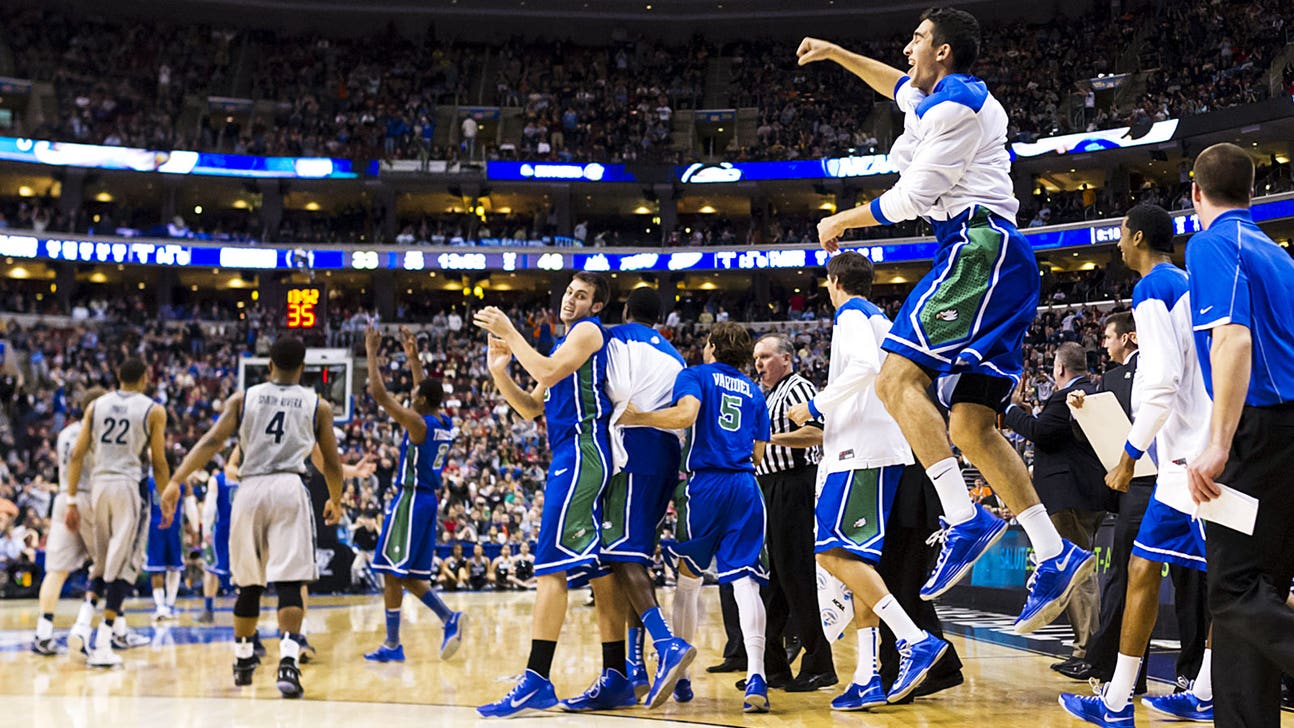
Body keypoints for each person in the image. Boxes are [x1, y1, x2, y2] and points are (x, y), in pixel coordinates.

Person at [799, 7, 1092, 633]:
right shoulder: (934, 95)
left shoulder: (957, 104)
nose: (907, 48)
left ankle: (963, 519)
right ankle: (1055, 552)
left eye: (918, 39)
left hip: (977, 251)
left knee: (894, 380)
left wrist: (840, 220)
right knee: (971, 427)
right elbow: (894, 84)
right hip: (998, 260)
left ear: (945, 51)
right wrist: (837, 54)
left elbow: (913, 197)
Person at [1059, 203, 1217, 726]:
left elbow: (1163, 383)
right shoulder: (1186, 282)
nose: (1119, 243)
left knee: (1233, 582)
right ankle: (1124, 699)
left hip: (1191, 458)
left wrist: (1128, 456)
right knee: (1146, 567)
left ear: (1140, 237)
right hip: (1187, 454)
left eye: (1123, 234)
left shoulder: (1153, 287)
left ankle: (1182, 694)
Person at [787, 251, 951, 709]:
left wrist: (815, 405)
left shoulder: (853, 314)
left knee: (830, 553)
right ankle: (867, 675)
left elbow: (863, 368)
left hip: (860, 453)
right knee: (860, 566)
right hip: (880, 449)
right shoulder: (881, 318)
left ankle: (914, 639)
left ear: (835, 282)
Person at [162, 336, 345, 699]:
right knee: (290, 582)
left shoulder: (243, 399)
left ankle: (243, 658)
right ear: (303, 368)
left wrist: (176, 481)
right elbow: (332, 462)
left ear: (269, 365)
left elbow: (210, 442)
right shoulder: (318, 405)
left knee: (249, 583)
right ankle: (288, 662)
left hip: (250, 489)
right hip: (290, 488)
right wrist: (336, 499)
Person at [473, 272, 619, 718]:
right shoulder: (561, 344)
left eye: (582, 295)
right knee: (599, 568)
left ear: (596, 306)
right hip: (573, 452)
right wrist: (499, 371)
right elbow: (531, 406)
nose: (571, 299)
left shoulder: (588, 331)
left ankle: (536, 678)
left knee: (550, 567)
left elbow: (547, 372)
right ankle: (617, 674)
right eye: (569, 292)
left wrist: (511, 331)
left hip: (581, 450)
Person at [1184, 143, 1294, 727]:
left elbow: (1233, 340)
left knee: (1231, 589)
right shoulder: (1278, 254)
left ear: (1195, 193)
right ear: (1250, 193)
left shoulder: (1211, 243)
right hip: (1287, 436)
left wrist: (1219, 441)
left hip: (1259, 430)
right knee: (1259, 589)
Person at [619, 322, 773, 713]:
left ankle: (682, 678)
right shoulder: (755, 391)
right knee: (746, 584)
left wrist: (639, 417)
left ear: (713, 347)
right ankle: (757, 676)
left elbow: (686, 415)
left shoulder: (697, 375)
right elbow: (758, 454)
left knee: (688, 582)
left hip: (706, 486)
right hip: (746, 485)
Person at [592, 286, 695, 710]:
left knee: (621, 556)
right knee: (633, 557)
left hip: (634, 448)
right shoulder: (676, 357)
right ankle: (636, 668)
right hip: (668, 455)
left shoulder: (615, 338)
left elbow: (610, 390)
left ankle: (666, 644)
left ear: (625, 310)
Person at [362, 324, 464, 663]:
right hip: (427, 502)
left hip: (411, 499)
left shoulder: (418, 425)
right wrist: (414, 359)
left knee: (391, 572)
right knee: (403, 575)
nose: (410, 396)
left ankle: (402, 640)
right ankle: (439, 622)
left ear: (420, 400)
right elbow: (427, 392)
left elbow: (380, 395)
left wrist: (371, 352)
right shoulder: (444, 422)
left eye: (414, 394)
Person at [1004, 342, 1109, 666]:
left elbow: (1042, 433)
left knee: (1076, 574)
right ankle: (1088, 648)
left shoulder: (1069, 396)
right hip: (1086, 494)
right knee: (1080, 571)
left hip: (1069, 497)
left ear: (1060, 368)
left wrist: (1011, 411)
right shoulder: (1090, 391)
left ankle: (1087, 651)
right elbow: (1055, 433)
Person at [66, 359, 170, 668]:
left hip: (98, 485)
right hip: (128, 486)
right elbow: (159, 462)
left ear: (117, 376)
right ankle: (103, 642)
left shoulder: (95, 406)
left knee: (102, 561)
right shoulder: (153, 410)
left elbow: (76, 454)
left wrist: (71, 499)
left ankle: (83, 623)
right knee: (124, 566)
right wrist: (165, 497)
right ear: (145, 378)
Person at [751, 333, 836, 692]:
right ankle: (773, 668)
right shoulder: (769, 394)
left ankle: (820, 664)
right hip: (770, 486)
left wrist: (769, 439)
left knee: (797, 576)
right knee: (775, 582)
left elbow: (817, 433)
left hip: (795, 484)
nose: (759, 363)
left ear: (786, 359)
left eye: (766, 356)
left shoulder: (797, 388)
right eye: (756, 358)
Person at [31, 386, 106, 656]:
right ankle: (107, 628)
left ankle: (43, 633)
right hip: (86, 498)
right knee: (107, 567)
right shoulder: (96, 433)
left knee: (56, 570)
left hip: (63, 499)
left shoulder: (65, 433)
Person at [198, 447, 240, 625]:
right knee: (243, 573)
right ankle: (244, 612)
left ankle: (208, 611)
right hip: (241, 530)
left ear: (224, 462)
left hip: (221, 530)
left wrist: (206, 531)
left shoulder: (217, 480)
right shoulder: (247, 479)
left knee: (211, 570)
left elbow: (209, 508)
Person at [145, 473, 188, 622]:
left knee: (156, 569)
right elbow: (189, 506)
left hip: (155, 527)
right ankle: (169, 605)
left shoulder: (149, 482)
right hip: (174, 528)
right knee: (174, 568)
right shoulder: (182, 482)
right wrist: (193, 528)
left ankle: (161, 606)